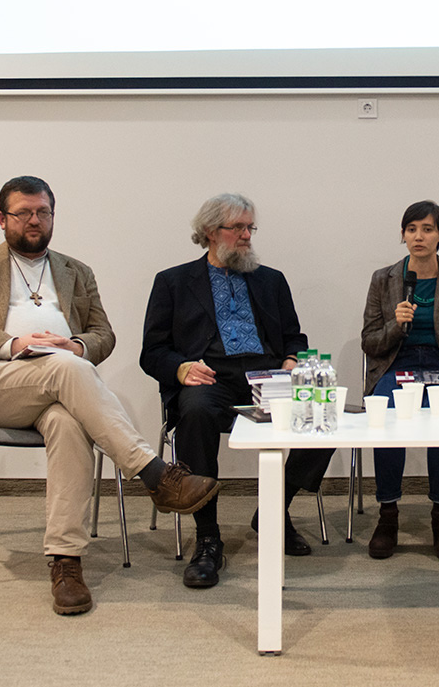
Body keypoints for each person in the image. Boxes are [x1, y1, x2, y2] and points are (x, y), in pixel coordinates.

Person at [0, 175, 218, 617]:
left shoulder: (76, 271)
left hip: (61, 389)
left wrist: (78, 346)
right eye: (23, 213)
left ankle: (66, 562)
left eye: (43, 212)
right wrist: (14, 344)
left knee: (68, 419)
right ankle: (155, 474)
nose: (34, 220)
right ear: (2, 219)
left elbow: (104, 333)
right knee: (69, 369)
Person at [141, 193, 334, 589]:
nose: (247, 235)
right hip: (209, 378)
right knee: (195, 412)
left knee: (323, 414)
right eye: (238, 228)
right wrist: (182, 368)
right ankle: (208, 537)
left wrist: (291, 360)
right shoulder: (173, 282)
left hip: (266, 377)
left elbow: (293, 336)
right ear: (211, 231)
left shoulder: (271, 280)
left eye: (250, 228)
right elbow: (152, 352)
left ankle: (274, 509)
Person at [361, 201, 439, 562]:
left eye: (427, 229)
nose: (419, 236)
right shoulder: (383, 279)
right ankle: (388, 514)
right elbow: (370, 343)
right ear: (403, 235)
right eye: (411, 229)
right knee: (386, 418)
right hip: (395, 364)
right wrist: (394, 325)